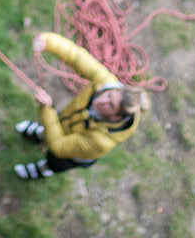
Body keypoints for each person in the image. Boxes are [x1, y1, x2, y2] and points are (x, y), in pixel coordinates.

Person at [13, 32, 148, 179]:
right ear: (116, 89)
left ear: (116, 117)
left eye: (110, 105)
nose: (101, 100)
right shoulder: (106, 82)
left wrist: (46, 109)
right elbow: (76, 56)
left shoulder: (100, 141)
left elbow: (58, 146)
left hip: (71, 155)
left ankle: (41, 169)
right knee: (53, 126)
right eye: (109, 95)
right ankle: (41, 133)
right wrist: (48, 41)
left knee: (54, 161)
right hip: (66, 119)